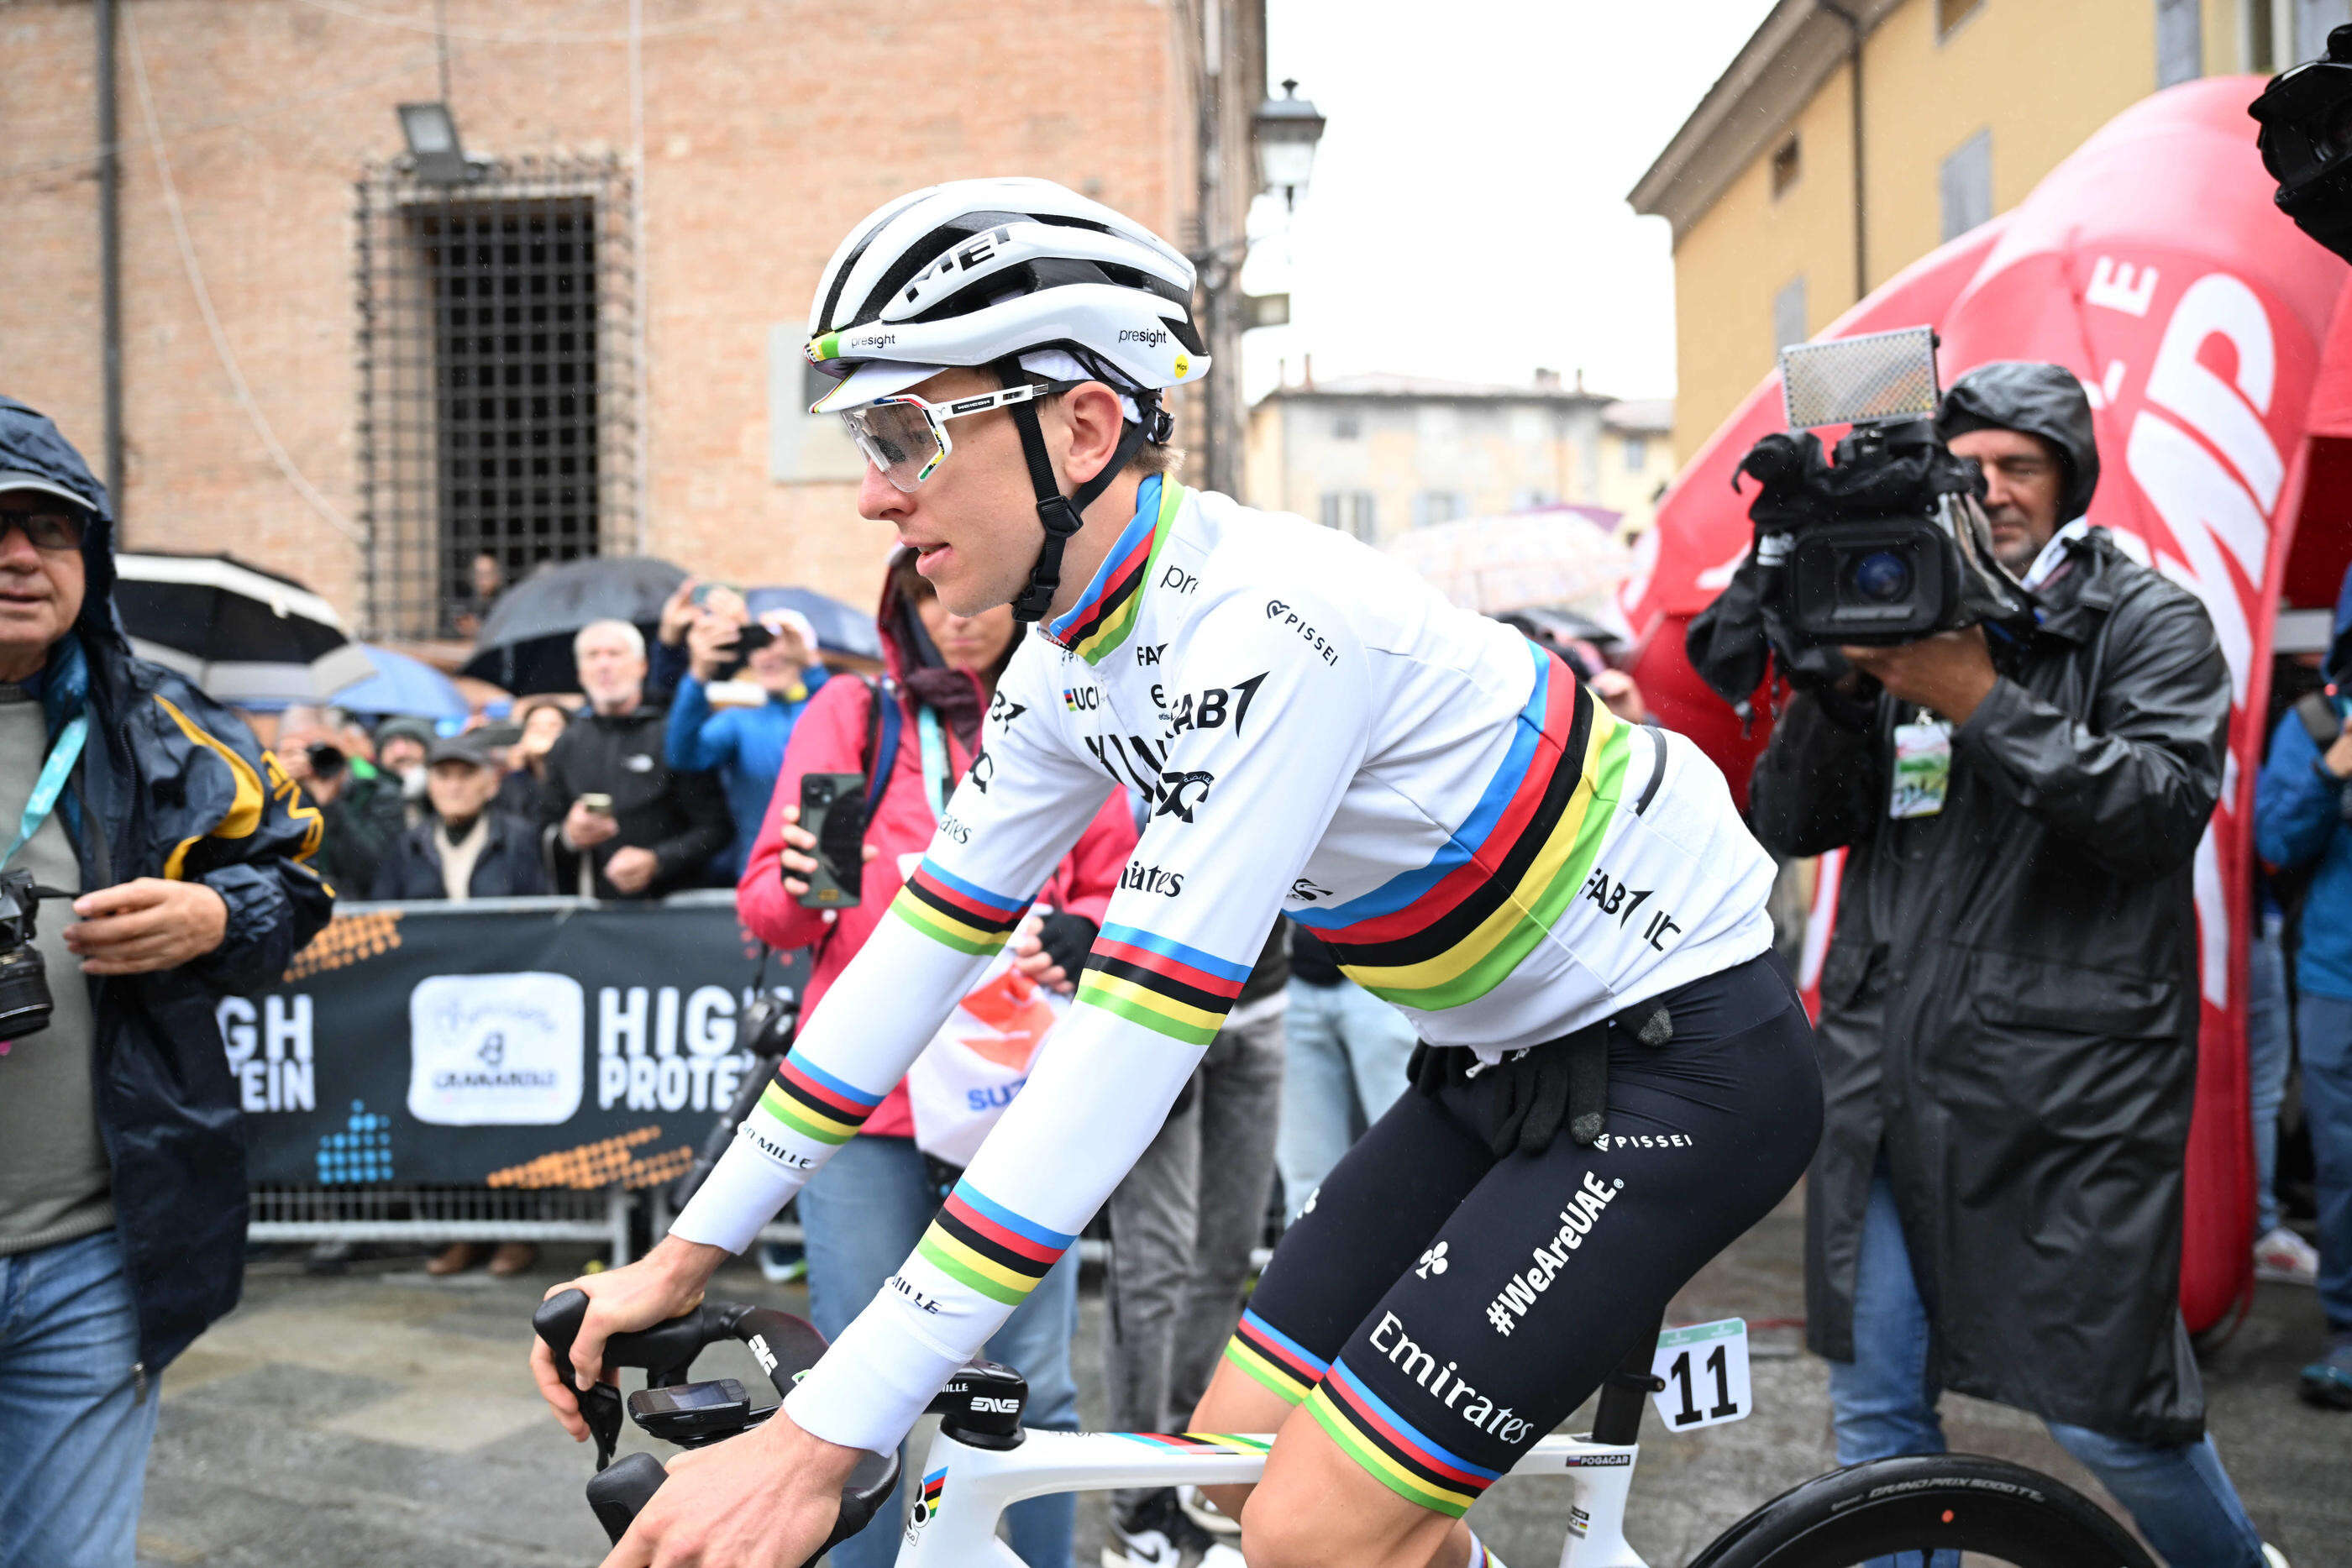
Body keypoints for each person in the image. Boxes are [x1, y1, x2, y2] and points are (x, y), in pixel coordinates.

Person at [530, 179, 1818, 1568]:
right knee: (1224, 1475)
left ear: (1080, 427)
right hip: (1493, 1063)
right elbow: (904, 966)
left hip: (1681, 1059)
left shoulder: (1272, 625)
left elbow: (1121, 1053)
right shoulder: (1074, 668)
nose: (871, 490)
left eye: (908, 430)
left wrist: (832, 1428)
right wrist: (683, 1250)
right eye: (865, 434)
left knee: (1313, 1529)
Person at [1748, 361, 2275, 1568]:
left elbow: (2158, 806)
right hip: (1885, 1074)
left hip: (2063, 1094)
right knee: (1878, 1416)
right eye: (1966, 464)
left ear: (2067, 482)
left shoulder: (2146, 620)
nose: (1987, 489)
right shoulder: (1894, 607)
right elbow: (1790, 822)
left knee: (2109, 1410)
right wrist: (1831, 692)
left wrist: (1979, 698)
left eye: (2017, 466)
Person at [734, 547, 1137, 1568]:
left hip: (1015, 1105)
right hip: (868, 1113)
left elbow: (1114, 887)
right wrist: (801, 883)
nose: (954, 617)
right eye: (924, 596)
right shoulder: (852, 717)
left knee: (1032, 1387)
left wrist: (1086, 931)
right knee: (847, 1398)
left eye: (977, 598)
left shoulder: (1065, 707)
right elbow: (777, 914)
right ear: (901, 605)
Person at [0, 398, 333, 1568]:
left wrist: (213, 911)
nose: (18, 556)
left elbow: (297, 885)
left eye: (50, 528)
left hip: (93, 1253)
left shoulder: (164, 731)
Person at [1100, 923, 1284, 1566]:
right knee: (1157, 1263)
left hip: (1262, 1004)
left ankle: (1181, 1463)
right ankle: (1134, 1504)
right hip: (1164, 1001)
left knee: (1228, 1257)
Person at [371, 734, 551, 1277]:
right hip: (436, 1009)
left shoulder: (518, 838)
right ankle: (458, 1233)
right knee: (441, 1110)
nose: (453, 785)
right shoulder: (408, 843)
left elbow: (540, 910)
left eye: (464, 774)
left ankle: (515, 1233)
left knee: (508, 1111)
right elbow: (387, 913)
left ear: (489, 781)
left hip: (504, 1001)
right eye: (442, 774)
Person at [2254, 563, 2352, 1409]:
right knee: (2342, 1161)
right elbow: (2275, 840)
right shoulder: (2318, 721)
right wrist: (2334, 767)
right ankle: (2348, 1331)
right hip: (2335, 977)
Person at [534, 619, 730, 900]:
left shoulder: (673, 733)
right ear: (580, 674)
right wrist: (569, 835)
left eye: (615, 654)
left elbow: (716, 827)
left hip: (670, 908)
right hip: (595, 915)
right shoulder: (568, 742)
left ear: (642, 666)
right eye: (593, 655)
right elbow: (543, 829)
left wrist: (658, 860)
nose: (604, 665)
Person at [667, 604, 830, 879]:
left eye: (781, 643)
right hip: (761, 874)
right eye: (759, 646)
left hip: (828, 871)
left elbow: (844, 724)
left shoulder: (824, 708)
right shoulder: (739, 722)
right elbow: (683, 755)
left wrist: (812, 666)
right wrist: (698, 675)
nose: (768, 654)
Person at [1276, 921, 1419, 1225]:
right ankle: (1312, 1271)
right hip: (1286, 976)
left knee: (1415, 1161)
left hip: (1381, 959)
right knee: (1308, 1182)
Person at [273, 704, 407, 894]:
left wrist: (331, 804)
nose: (312, 761)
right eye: (302, 752)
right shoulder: (273, 791)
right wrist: (273, 785)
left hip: (362, 914)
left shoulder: (377, 791)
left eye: (322, 749)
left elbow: (378, 869)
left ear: (343, 744)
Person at [496, 695, 573, 823]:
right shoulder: (513, 780)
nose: (543, 731)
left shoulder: (579, 778)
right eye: (534, 726)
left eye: (553, 726)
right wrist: (517, 773)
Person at [373, 716, 435, 829]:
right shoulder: (366, 798)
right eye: (390, 744)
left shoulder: (442, 798)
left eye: (409, 741)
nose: (400, 753)